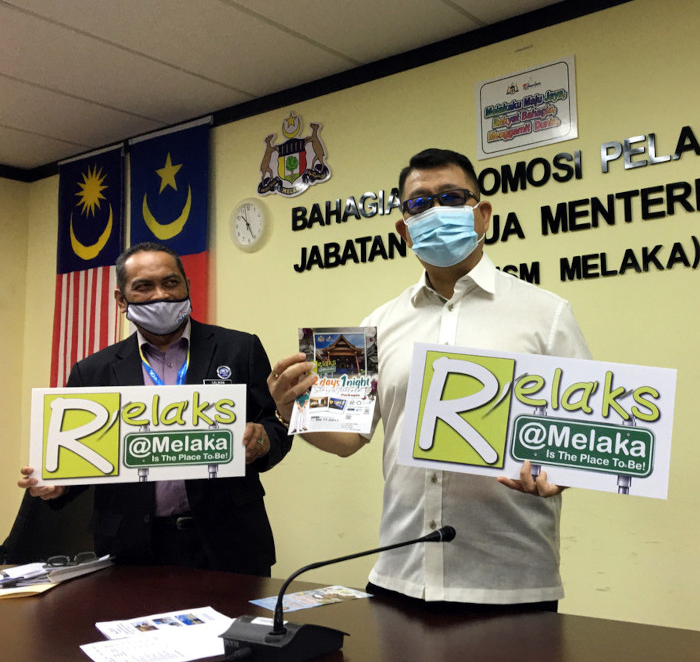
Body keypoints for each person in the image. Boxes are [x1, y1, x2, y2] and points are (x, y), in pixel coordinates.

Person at [269, 148, 591, 610]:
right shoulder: (374, 325)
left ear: (482, 215)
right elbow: (346, 437)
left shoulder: (548, 314)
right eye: (419, 203)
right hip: (400, 573)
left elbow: (583, 434)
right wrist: (291, 410)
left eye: (451, 197)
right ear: (404, 229)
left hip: (512, 579)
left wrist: (560, 471)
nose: (435, 210)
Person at [18, 242, 292, 576]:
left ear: (187, 285)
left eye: (171, 282)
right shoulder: (92, 371)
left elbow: (277, 424)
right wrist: (57, 484)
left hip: (229, 542)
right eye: (144, 287)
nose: (160, 295)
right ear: (122, 300)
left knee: (237, 629)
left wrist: (264, 440)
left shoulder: (239, 349)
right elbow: (81, 459)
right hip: (131, 548)